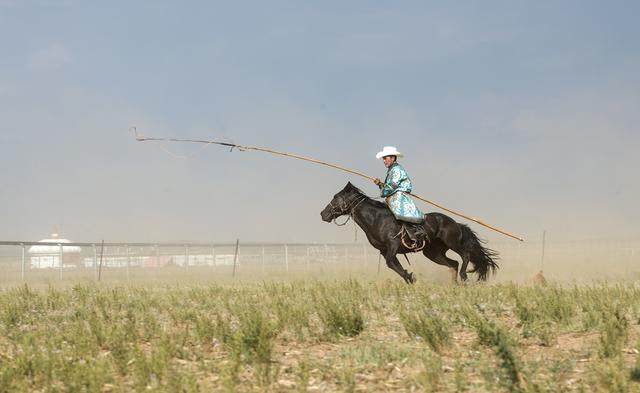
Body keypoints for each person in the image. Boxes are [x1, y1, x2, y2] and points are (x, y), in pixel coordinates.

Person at [373, 146, 427, 247]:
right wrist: (380, 184)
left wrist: (382, 190)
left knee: (400, 211)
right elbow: (389, 186)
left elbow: (392, 186)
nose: (384, 161)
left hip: (399, 196)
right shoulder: (392, 169)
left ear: (393, 158)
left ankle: (416, 232)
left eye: (385, 158)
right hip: (393, 195)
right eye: (383, 158)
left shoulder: (396, 169)